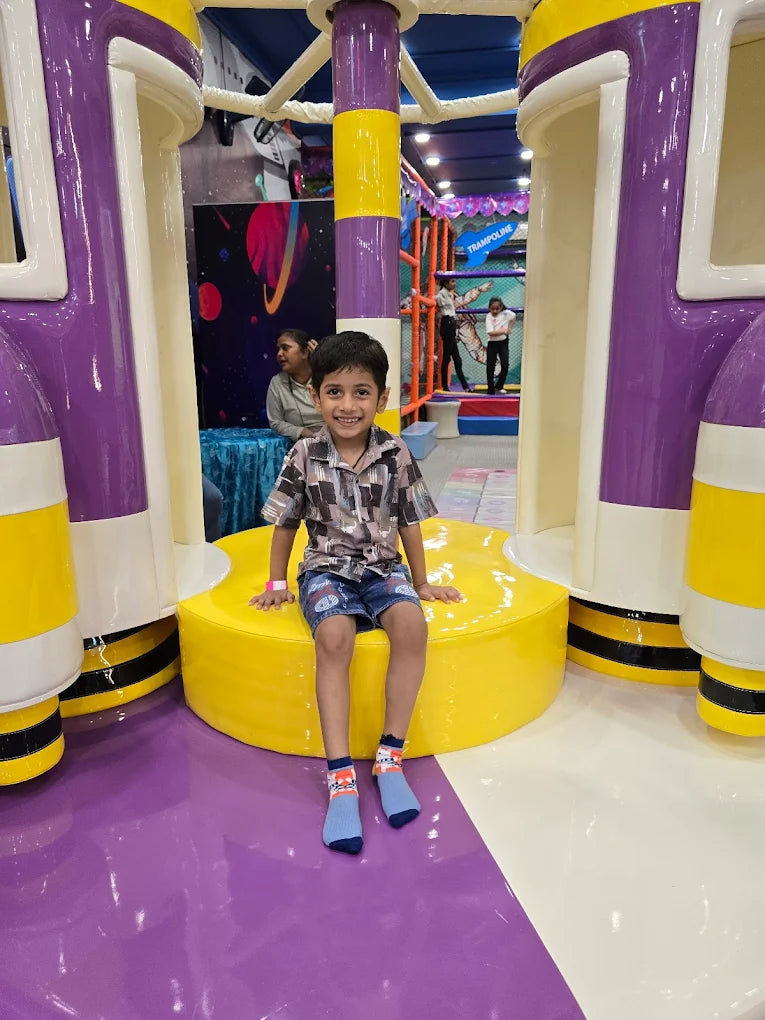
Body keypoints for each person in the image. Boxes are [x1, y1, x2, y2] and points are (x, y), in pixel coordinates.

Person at [251, 332, 462, 855]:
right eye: (336, 392)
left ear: (382, 398)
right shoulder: (303, 452)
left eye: (361, 392)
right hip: (326, 569)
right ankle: (341, 776)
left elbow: (410, 521)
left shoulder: (395, 452)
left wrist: (422, 580)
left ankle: (390, 757)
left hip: (382, 566)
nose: (348, 405)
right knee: (335, 637)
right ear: (317, 396)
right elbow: (284, 524)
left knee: (413, 627)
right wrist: (277, 583)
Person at [266, 329, 324, 441]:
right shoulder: (277, 382)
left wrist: (323, 361)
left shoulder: (326, 377)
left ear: (305, 352)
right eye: (278, 349)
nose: (279, 354)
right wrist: (300, 432)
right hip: (300, 443)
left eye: (285, 348)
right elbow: (275, 422)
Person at [435, 278, 471, 391]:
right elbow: (440, 305)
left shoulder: (448, 294)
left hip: (450, 324)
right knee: (447, 357)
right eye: (452, 281)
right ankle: (445, 386)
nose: (454, 283)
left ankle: (465, 386)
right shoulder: (441, 294)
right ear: (446, 283)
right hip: (447, 323)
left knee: (457, 358)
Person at [484, 297, 516, 394]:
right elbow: (490, 333)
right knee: (490, 365)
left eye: (497, 309)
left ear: (501, 307)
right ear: (489, 307)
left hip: (503, 343)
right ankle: (490, 388)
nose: (494, 311)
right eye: (492, 308)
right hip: (492, 343)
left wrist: (510, 328)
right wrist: (503, 331)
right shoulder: (489, 316)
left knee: (505, 364)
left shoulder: (506, 314)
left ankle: (499, 385)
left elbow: (513, 316)